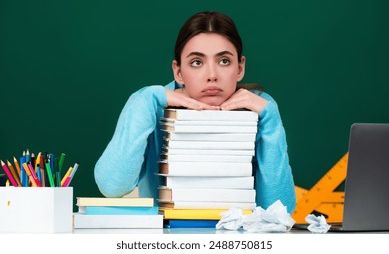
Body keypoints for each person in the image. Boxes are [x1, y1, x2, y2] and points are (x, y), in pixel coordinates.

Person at [94, 11, 296, 213]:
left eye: (224, 61)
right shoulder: (151, 106)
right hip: (167, 237)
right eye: (197, 62)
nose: (211, 76)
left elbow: (279, 211)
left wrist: (271, 118)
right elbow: (112, 187)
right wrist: (146, 98)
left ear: (240, 68)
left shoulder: (259, 107)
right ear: (178, 71)